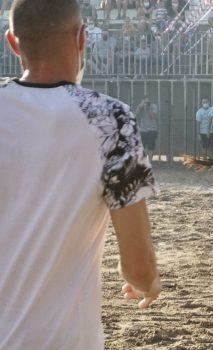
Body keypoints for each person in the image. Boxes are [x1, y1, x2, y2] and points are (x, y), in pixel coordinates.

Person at [0, 1, 161, 348]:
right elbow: (139, 267)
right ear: (81, 37)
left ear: (13, 43)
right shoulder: (110, 118)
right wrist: (147, 283)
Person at [135, 96, 159, 161]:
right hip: (143, 129)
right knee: (142, 147)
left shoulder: (153, 106)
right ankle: (144, 161)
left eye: (147, 102)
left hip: (152, 129)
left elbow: (153, 117)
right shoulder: (140, 107)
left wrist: (148, 109)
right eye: (144, 102)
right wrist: (140, 108)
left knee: (151, 147)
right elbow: (135, 116)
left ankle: (150, 162)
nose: (146, 103)